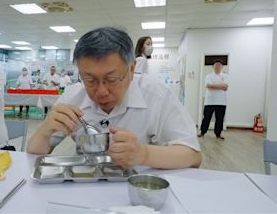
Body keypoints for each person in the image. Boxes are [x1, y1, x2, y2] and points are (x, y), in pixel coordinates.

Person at [27, 27, 201, 169]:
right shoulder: (73, 96)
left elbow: (192, 155)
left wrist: (143, 154)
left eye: (111, 79)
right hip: (84, 184)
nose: (101, 92)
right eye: (89, 80)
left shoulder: (156, 95)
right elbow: (32, 155)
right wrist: (45, 130)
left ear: (132, 70)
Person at [197, 60, 229, 139]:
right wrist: (220, 85)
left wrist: (213, 85)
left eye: (219, 65)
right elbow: (208, 86)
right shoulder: (209, 76)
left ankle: (219, 133)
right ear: (213, 67)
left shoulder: (226, 76)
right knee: (206, 117)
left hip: (221, 101)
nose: (217, 66)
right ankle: (202, 131)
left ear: (222, 67)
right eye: (216, 65)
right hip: (209, 101)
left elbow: (225, 88)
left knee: (220, 118)